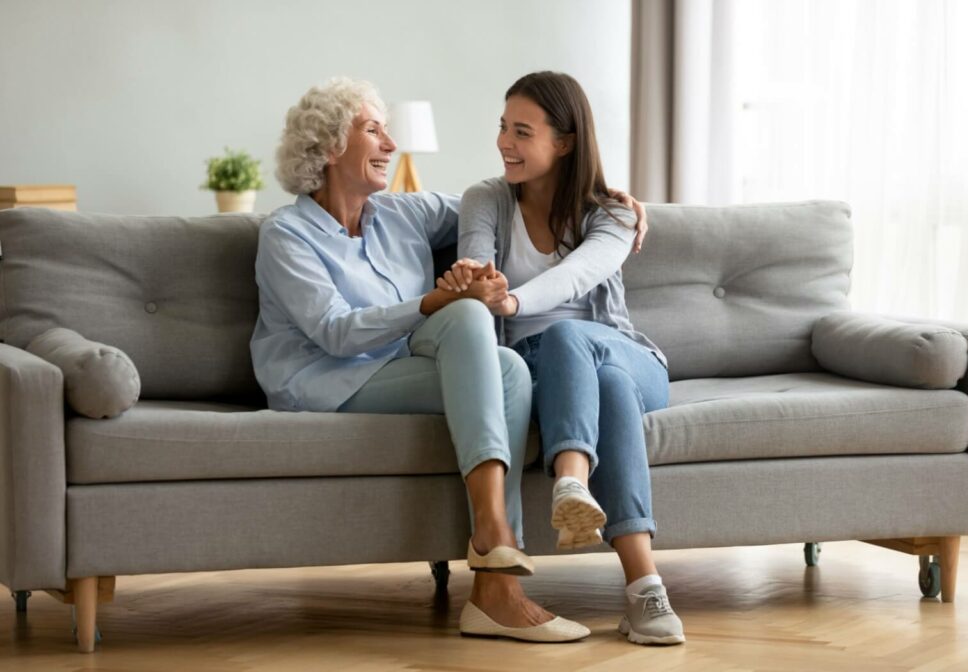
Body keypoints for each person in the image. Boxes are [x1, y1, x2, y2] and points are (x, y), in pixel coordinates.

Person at [250, 77, 642, 643]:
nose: (390, 144)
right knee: (458, 314)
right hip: (326, 380)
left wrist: (613, 207)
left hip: (402, 364)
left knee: (502, 360)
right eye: (373, 131)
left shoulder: (404, 214)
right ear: (331, 147)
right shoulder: (286, 235)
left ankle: (493, 575)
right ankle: (495, 548)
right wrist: (432, 301)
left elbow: (519, 201)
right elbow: (334, 333)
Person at [441, 71, 685, 645]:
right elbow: (478, 267)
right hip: (544, 370)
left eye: (522, 132)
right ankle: (645, 590)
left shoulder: (615, 214)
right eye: (503, 127)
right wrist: (479, 282)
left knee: (575, 341)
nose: (505, 142)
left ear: (566, 142)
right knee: (607, 389)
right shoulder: (485, 199)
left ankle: (571, 480)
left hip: (627, 354)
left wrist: (515, 297)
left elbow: (579, 277)